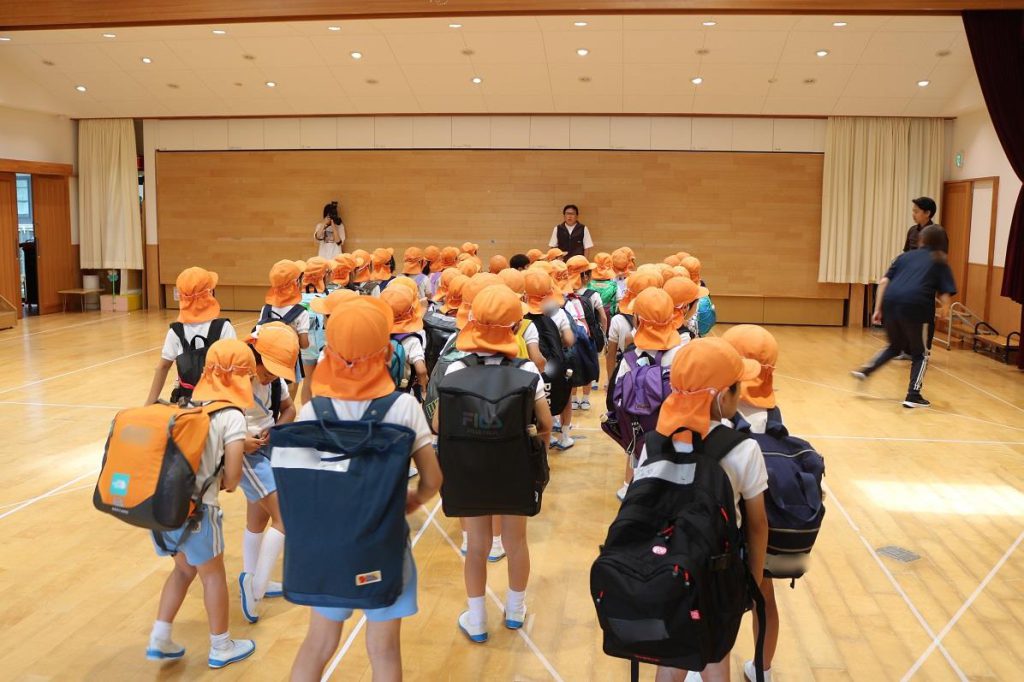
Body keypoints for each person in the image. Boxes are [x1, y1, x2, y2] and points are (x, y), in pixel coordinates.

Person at [290, 297, 442, 682]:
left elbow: (300, 487)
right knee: (384, 651)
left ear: (329, 352)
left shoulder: (312, 410)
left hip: (326, 547)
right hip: (383, 544)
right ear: (386, 352)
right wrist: (410, 501)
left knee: (317, 644)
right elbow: (433, 480)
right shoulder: (403, 408)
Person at [638, 338, 769, 682]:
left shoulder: (653, 443)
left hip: (663, 568)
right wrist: (752, 584)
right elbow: (757, 526)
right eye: (737, 387)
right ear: (721, 396)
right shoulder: (743, 449)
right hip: (717, 574)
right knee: (716, 653)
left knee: (671, 655)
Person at [434, 285, 553, 644]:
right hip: (514, 470)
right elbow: (545, 424)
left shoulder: (455, 368)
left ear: (472, 324)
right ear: (515, 327)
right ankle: (515, 610)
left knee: (477, 545)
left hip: (468, 472)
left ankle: (477, 619)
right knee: (516, 542)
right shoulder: (527, 370)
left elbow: (438, 424)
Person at [147, 339, 256, 669]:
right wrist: (223, 478)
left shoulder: (189, 404)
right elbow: (234, 478)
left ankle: (160, 637)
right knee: (213, 576)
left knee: (183, 570)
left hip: (165, 507)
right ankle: (221, 646)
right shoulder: (232, 416)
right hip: (199, 512)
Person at [722, 324, 786, 682]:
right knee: (765, 598)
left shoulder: (721, 413)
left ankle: (705, 667)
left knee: (716, 600)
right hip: (766, 526)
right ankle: (763, 669)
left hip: (727, 526)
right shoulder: (774, 419)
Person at [852, 225, 956, 408]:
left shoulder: (904, 257)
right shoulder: (939, 261)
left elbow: (884, 282)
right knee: (920, 354)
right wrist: (945, 310)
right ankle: (913, 395)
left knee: (895, 346)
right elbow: (945, 293)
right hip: (916, 305)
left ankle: (866, 370)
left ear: (921, 240)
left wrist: (878, 308)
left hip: (890, 302)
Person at [238, 322, 298, 624]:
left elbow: (290, 409)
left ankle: (250, 577)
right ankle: (255, 589)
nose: (271, 376)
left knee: (258, 520)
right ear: (255, 356)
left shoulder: (276, 383)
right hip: (246, 456)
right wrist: (241, 441)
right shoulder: (237, 377)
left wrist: (276, 428)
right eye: (269, 370)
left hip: (268, 450)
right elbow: (216, 419)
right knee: (285, 517)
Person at [610, 288, 684, 502]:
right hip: (675, 435)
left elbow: (617, 401)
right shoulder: (682, 354)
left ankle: (632, 489)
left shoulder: (629, 358)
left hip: (640, 434)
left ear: (637, 320)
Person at [146, 267, 236, 405]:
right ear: (210, 293)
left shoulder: (176, 331)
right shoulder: (224, 327)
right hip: (218, 402)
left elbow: (163, 367)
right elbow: (233, 368)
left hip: (185, 404)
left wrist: (148, 403)